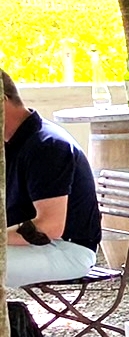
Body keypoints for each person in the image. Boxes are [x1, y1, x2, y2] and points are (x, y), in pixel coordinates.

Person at [3, 72, 101, 286]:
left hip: (67, 250)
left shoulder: (47, 146)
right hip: (32, 246)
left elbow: (49, 227)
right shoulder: (12, 143)